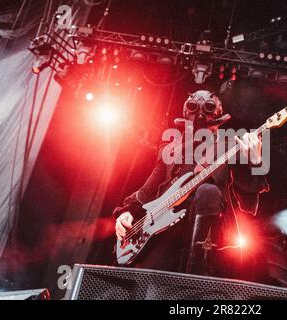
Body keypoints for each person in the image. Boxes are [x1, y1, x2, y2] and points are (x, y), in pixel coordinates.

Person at [112, 90, 269, 276]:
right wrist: (127, 211)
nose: (200, 114)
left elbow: (247, 198)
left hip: (205, 224)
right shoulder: (170, 148)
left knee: (208, 190)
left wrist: (255, 161)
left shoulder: (229, 146)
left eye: (209, 108)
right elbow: (148, 189)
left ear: (217, 113)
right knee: (153, 286)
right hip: (163, 226)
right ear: (186, 112)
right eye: (193, 107)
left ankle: (198, 267)